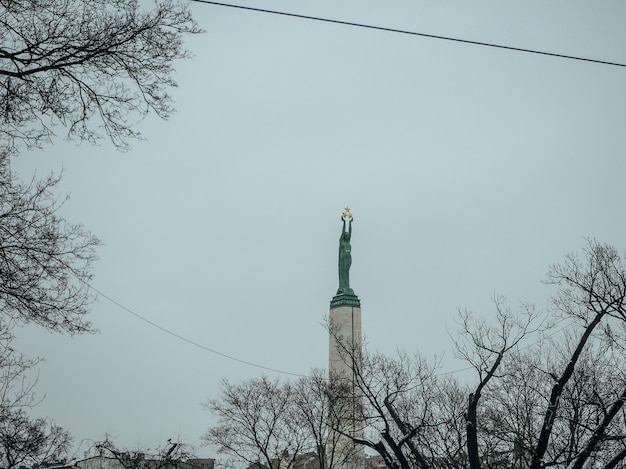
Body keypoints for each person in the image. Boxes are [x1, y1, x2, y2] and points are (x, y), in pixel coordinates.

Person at [338, 216, 353, 295]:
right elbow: (343, 232)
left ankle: (347, 285)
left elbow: (350, 232)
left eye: (348, 235)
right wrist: (344, 222)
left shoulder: (348, 242)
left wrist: (350, 223)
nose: (347, 236)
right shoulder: (342, 242)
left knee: (347, 272)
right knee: (343, 271)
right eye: (346, 235)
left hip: (348, 256)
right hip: (343, 256)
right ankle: (343, 285)